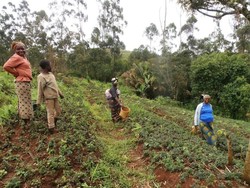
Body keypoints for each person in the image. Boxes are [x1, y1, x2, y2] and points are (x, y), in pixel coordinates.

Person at [3, 41, 33, 126]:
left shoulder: (23, 57)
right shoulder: (16, 57)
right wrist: (15, 73)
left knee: (26, 101)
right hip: (21, 82)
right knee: (24, 101)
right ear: (15, 50)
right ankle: (26, 122)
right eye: (18, 49)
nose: (21, 50)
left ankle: (26, 119)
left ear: (25, 49)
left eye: (22, 48)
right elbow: (6, 66)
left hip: (25, 81)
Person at [36, 60, 64, 133]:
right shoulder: (41, 77)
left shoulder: (51, 74)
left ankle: (53, 122)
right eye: (49, 65)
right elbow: (40, 89)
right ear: (45, 67)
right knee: (50, 113)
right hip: (49, 98)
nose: (50, 67)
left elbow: (55, 86)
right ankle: (51, 128)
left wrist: (60, 94)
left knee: (58, 111)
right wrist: (38, 102)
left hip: (55, 96)